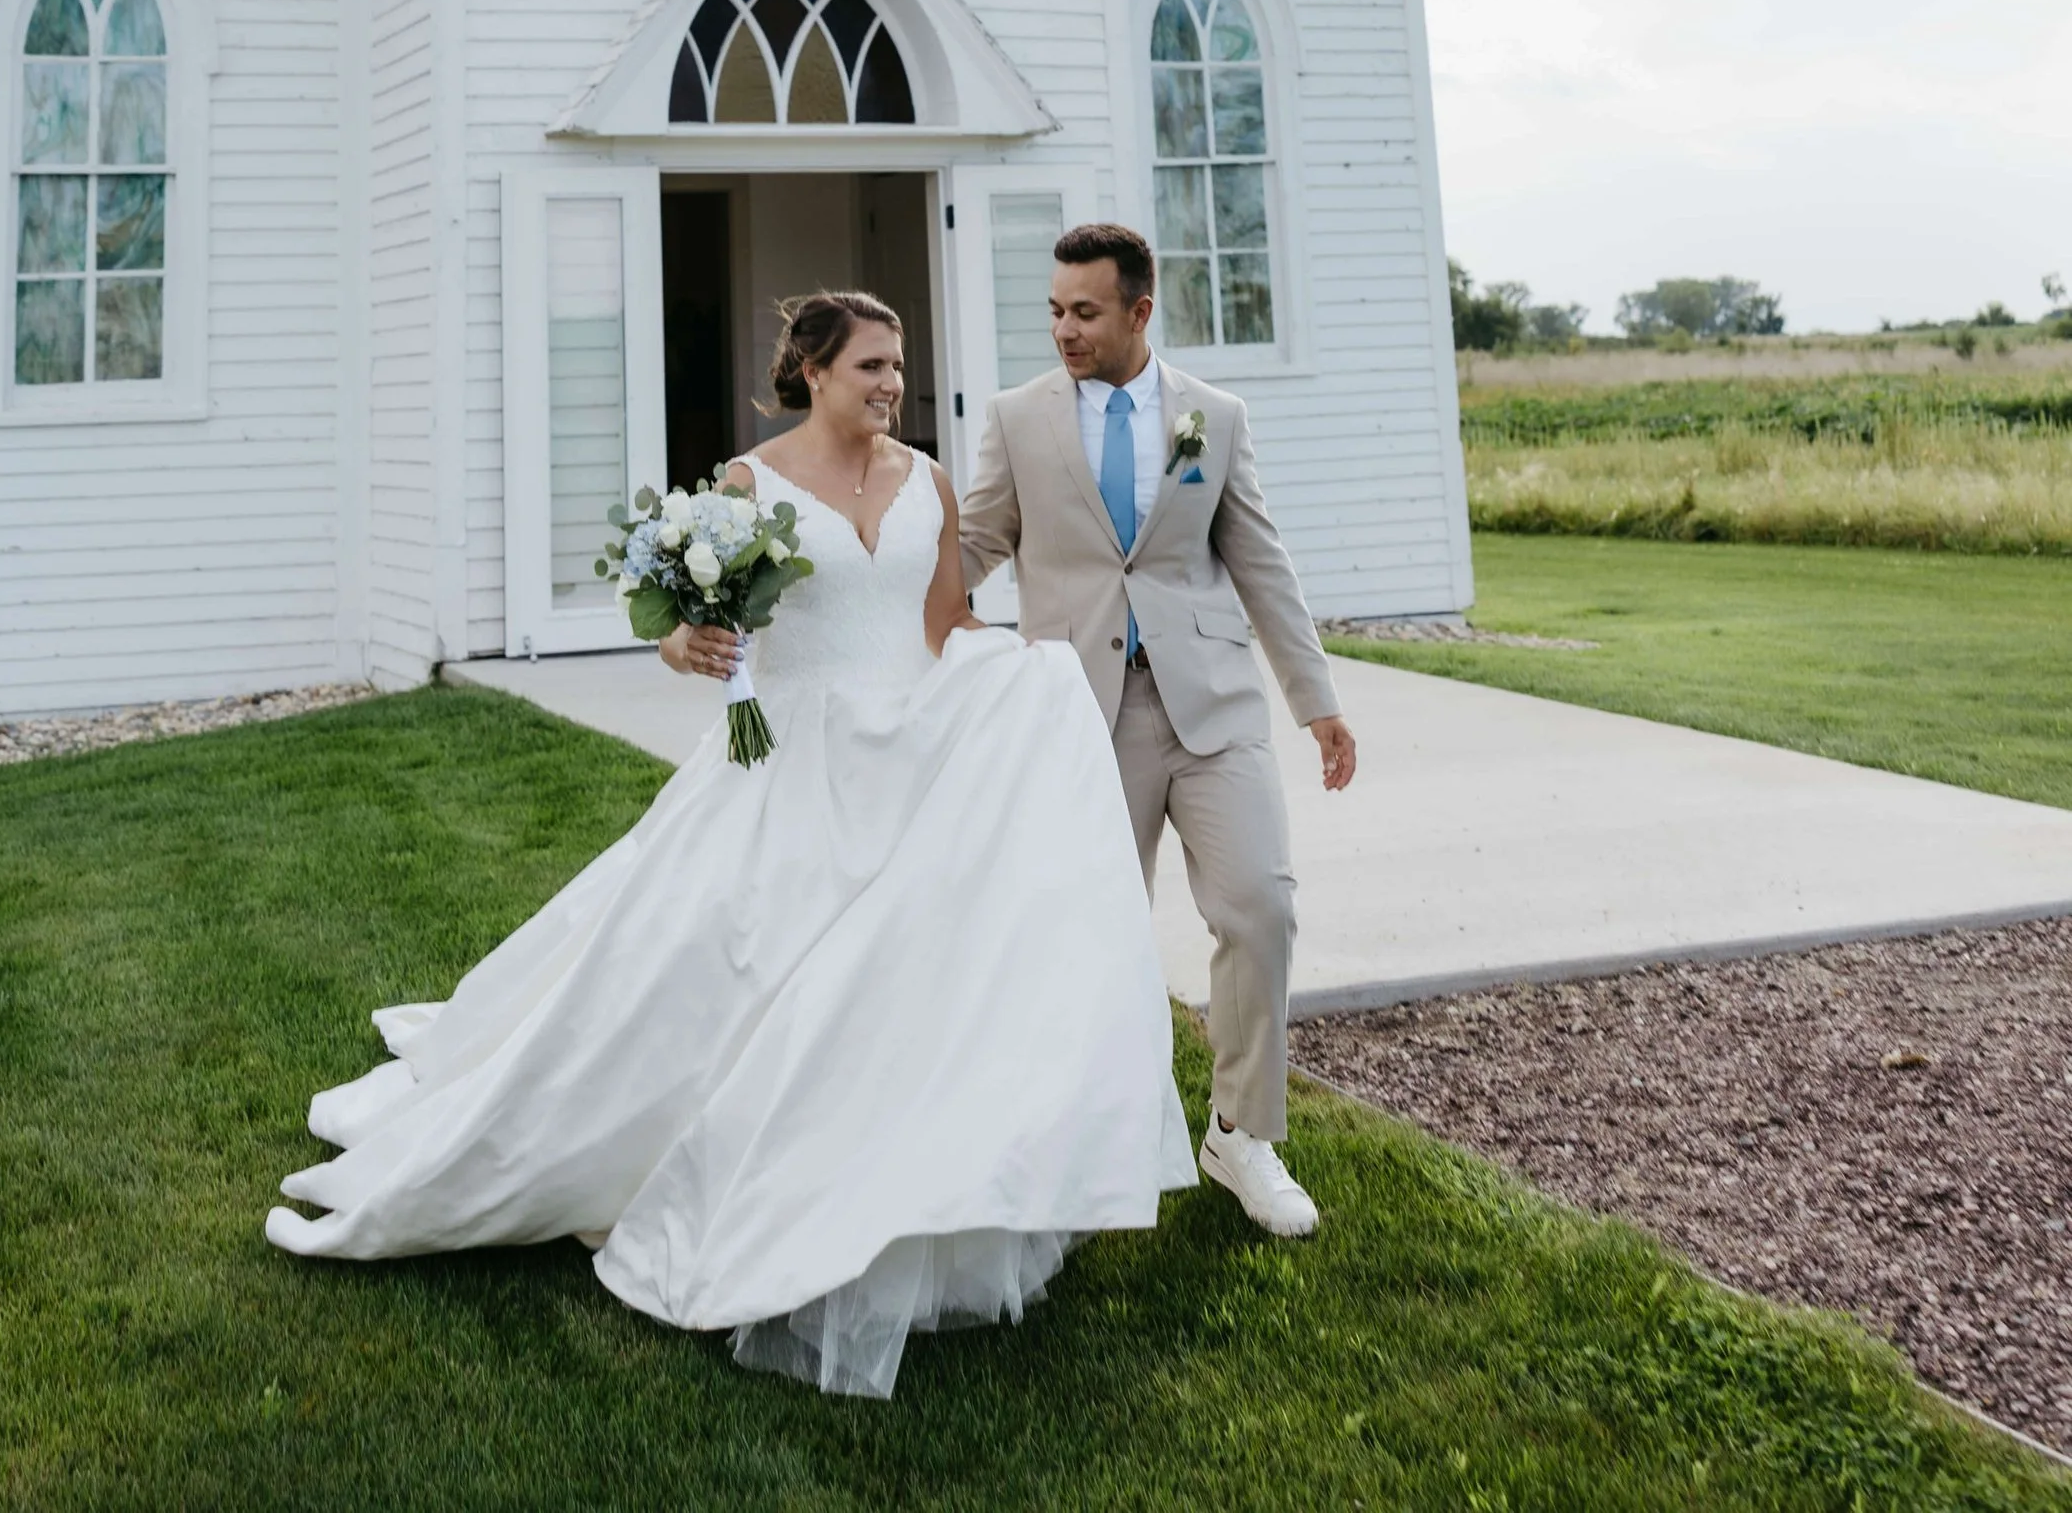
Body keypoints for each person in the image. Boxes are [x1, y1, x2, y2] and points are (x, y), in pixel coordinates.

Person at [266, 289, 1191, 1397]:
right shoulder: (748, 486)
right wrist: (691, 648)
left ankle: (894, 1179)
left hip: (907, 755)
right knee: (711, 967)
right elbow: (682, 632)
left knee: (897, 984)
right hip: (788, 765)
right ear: (811, 372)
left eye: (899, 366)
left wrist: (1023, 671)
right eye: (870, 368)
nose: (892, 385)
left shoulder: (930, 483)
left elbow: (944, 623)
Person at [959, 221, 1357, 1240]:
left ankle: (1240, 1135)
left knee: (1258, 909)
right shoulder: (1016, 418)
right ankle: (1075, 1142)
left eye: (1083, 311)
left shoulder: (1212, 418)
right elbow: (972, 544)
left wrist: (1315, 700)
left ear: (1140, 311)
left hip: (1211, 706)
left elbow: (1258, 558)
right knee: (1087, 935)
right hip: (1082, 715)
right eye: (1052, 309)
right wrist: (880, 607)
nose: (1062, 329)